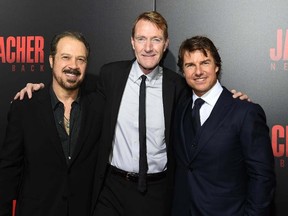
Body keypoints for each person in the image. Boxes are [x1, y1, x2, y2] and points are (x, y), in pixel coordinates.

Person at [13, 12, 250, 216]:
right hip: (111, 190)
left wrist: (232, 100)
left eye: (156, 39)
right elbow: (70, 85)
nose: (148, 47)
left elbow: (206, 97)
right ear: (132, 42)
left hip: (157, 192)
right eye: (142, 39)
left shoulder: (177, 86)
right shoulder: (110, 75)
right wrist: (39, 89)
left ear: (165, 44)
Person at [0, 31, 104, 216]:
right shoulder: (25, 107)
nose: (73, 66)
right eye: (66, 57)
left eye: (81, 59)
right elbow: (8, 170)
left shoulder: (100, 108)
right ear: (51, 60)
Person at [172, 35, 275, 216]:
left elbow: (262, 177)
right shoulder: (180, 109)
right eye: (190, 65)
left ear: (217, 66)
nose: (198, 71)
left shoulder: (245, 112)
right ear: (183, 71)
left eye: (205, 63)